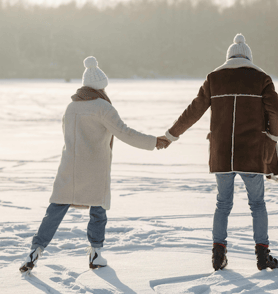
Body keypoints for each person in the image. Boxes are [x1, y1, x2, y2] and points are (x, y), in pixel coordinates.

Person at [19, 56, 169, 274]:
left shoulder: (71, 107)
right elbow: (124, 132)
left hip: (69, 166)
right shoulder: (103, 107)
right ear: (101, 87)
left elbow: (67, 135)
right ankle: (96, 254)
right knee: (97, 210)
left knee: (56, 210)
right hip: (94, 168)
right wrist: (153, 141)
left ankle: (35, 250)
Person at [160, 34, 278, 271]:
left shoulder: (214, 78)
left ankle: (218, 255)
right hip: (251, 153)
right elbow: (277, 112)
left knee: (223, 203)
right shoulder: (261, 79)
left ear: (228, 57)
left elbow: (194, 110)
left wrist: (171, 135)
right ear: (249, 57)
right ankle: (262, 255)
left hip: (221, 153)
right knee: (257, 204)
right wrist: (272, 136)